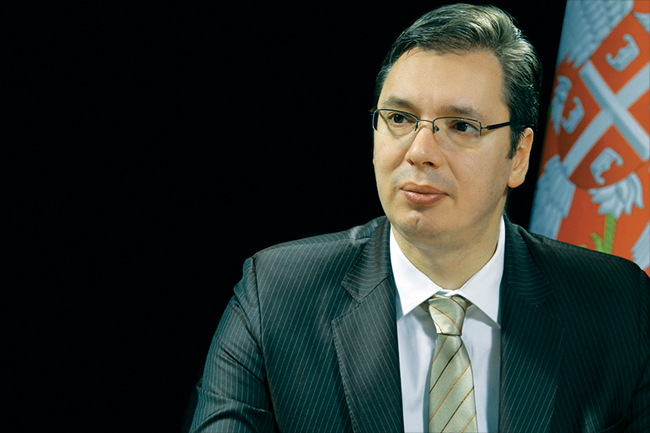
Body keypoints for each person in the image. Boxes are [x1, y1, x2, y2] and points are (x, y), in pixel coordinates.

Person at [189, 4, 649, 432]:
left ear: (519, 156)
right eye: (399, 118)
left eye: (461, 126)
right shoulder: (276, 295)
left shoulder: (617, 305)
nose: (420, 151)